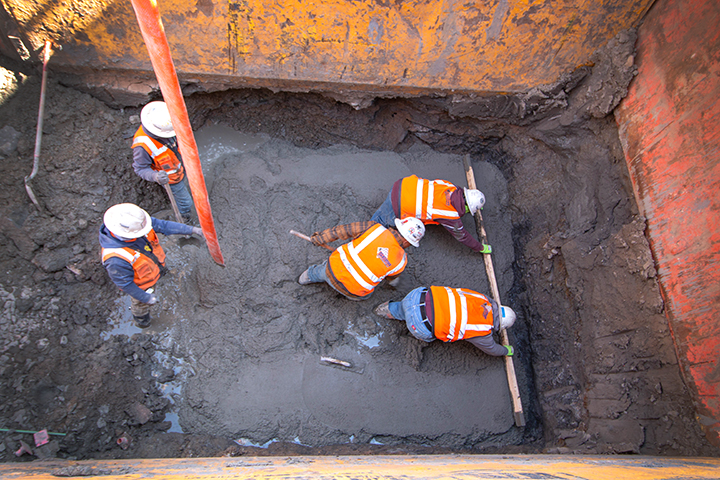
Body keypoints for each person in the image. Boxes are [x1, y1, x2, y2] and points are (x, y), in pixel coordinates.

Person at [99, 203, 203, 328]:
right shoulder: (116, 259)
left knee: (163, 274)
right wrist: (145, 297)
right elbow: (125, 284)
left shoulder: (139, 224)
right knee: (140, 305)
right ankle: (142, 321)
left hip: (156, 265)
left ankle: (162, 275)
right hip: (143, 285)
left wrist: (192, 230)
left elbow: (164, 226)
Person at [297, 217, 425, 300]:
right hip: (353, 291)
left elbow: (341, 231)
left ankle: (307, 277)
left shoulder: (373, 227)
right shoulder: (402, 261)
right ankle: (346, 293)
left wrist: (319, 238)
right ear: (409, 242)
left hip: (331, 271)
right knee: (367, 295)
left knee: (319, 271)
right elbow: (390, 279)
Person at [373, 285, 516, 356]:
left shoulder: (481, 298)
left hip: (417, 294)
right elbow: (492, 349)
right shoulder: (482, 331)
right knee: (429, 335)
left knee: (404, 308)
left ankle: (387, 309)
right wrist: (507, 350)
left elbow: (490, 302)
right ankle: (413, 329)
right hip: (419, 323)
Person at [370, 175, 488, 252]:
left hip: (403, 184)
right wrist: (480, 247)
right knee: (379, 223)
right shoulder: (450, 216)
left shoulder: (450, 186)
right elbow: (462, 236)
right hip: (399, 203)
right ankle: (364, 241)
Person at [132, 101, 194, 223]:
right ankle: (185, 218)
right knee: (186, 201)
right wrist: (155, 176)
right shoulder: (143, 146)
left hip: (180, 165)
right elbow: (140, 168)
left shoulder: (168, 121)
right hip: (170, 178)